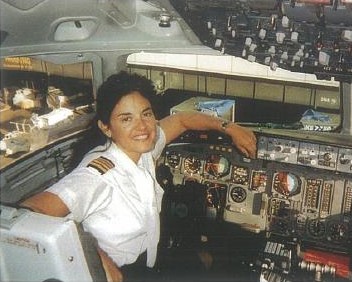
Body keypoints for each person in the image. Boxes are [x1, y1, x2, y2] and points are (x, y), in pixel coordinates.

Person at [20, 71, 257, 282]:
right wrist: (96, 255)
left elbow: (182, 120)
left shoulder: (144, 149)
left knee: (206, 258)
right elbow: (28, 212)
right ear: (106, 127)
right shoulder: (97, 175)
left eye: (146, 114)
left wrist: (230, 128)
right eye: (126, 119)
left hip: (150, 260)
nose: (142, 126)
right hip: (125, 272)